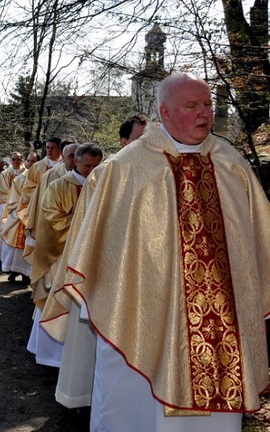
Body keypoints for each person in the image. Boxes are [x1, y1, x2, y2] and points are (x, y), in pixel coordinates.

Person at [44, 73, 270, 431]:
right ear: (164, 112)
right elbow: (97, 248)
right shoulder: (125, 169)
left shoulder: (231, 163)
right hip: (143, 317)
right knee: (134, 412)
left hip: (220, 324)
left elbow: (258, 241)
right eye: (192, 106)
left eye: (208, 105)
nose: (204, 114)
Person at [41, 114, 147, 410]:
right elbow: (86, 232)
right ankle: (90, 399)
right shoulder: (106, 175)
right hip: (106, 271)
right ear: (124, 142)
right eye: (140, 138)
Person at [26, 143, 103, 368]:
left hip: (91, 256)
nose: (92, 171)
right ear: (75, 162)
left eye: (96, 166)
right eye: (87, 165)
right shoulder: (59, 186)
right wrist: (86, 224)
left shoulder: (103, 186)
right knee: (57, 299)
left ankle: (81, 361)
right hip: (60, 257)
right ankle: (52, 356)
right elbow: (50, 221)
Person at [0, 152, 38, 283]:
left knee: (30, 245)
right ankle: (14, 271)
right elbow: (14, 198)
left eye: (33, 161)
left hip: (35, 217)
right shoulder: (20, 179)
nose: (30, 164)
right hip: (20, 216)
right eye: (29, 161)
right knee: (16, 248)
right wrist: (21, 211)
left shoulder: (43, 179)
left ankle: (27, 273)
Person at [0, 152, 25, 262]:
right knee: (3, 230)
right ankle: (2, 257)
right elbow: (2, 190)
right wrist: (13, 201)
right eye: (14, 159)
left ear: (22, 160)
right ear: (10, 161)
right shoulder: (5, 174)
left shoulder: (27, 173)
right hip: (6, 205)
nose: (16, 161)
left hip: (22, 206)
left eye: (18, 159)